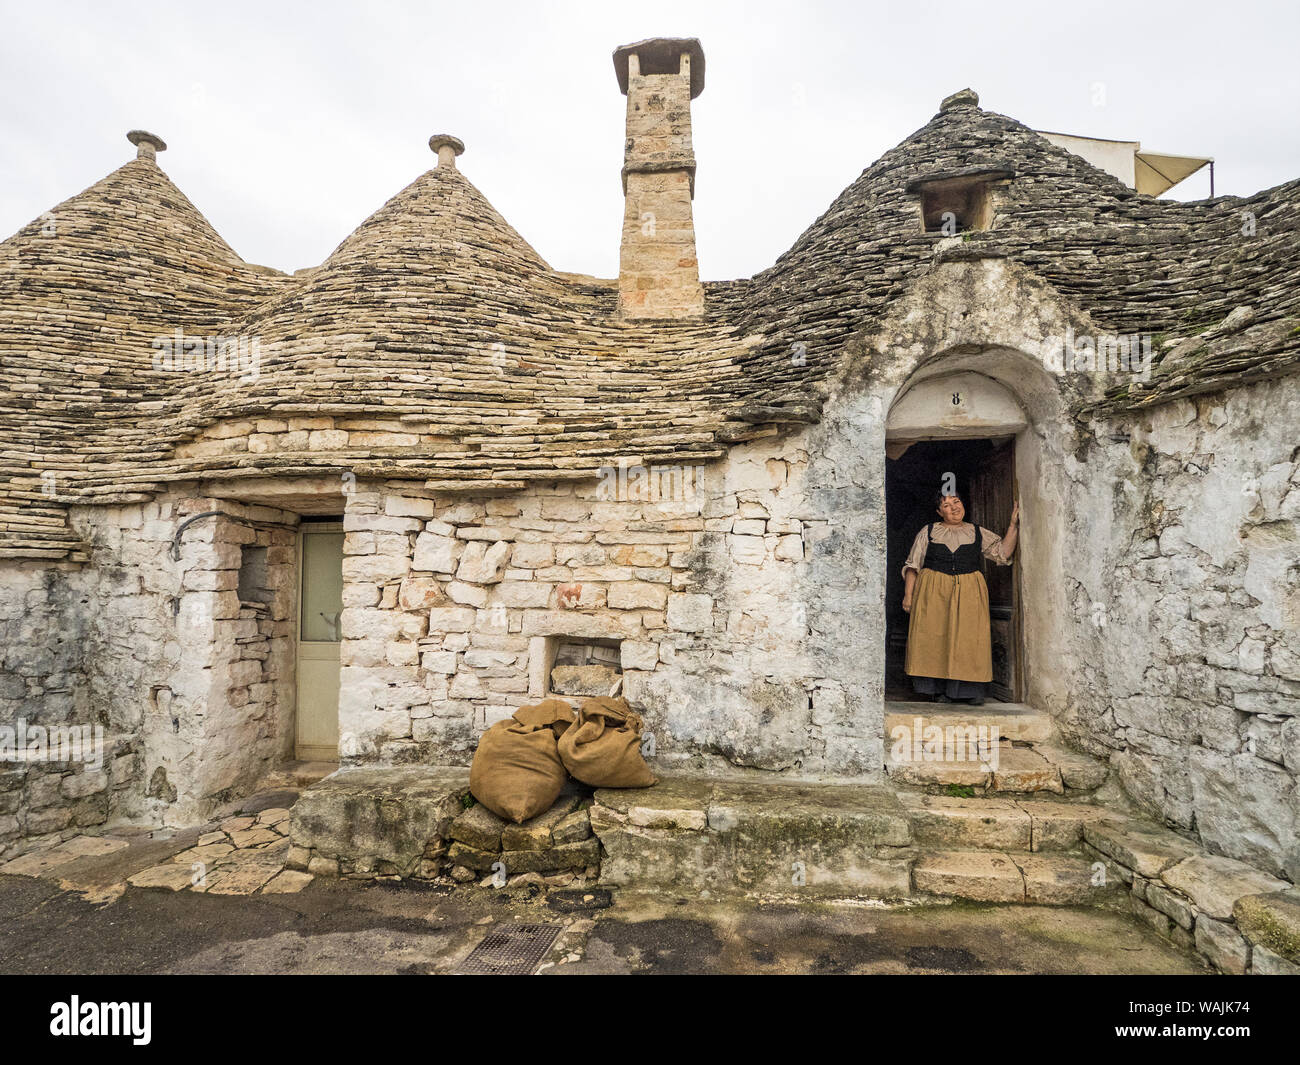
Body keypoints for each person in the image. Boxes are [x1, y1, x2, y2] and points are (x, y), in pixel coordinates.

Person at [901, 490, 1020, 705]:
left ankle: (967, 691)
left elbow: (1002, 553)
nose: (954, 507)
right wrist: (908, 596)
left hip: (968, 590)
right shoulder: (928, 531)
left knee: (968, 639)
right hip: (933, 591)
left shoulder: (977, 532)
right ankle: (936, 689)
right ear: (939, 511)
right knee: (935, 636)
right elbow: (913, 566)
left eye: (957, 501)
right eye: (946, 505)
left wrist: (1013, 526)